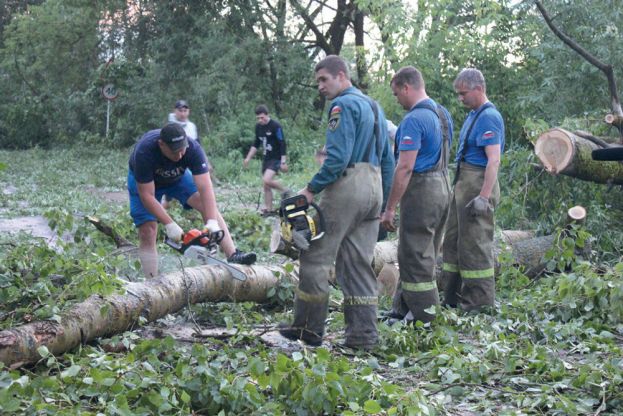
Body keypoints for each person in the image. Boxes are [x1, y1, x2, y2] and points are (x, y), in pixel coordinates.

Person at [278, 55, 395, 349]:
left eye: (323, 80)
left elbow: (338, 159)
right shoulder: (375, 107)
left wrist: (310, 189)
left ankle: (308, 329)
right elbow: (388, 159)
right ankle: (363, 337)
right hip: (375, 187)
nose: (320, 86)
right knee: (357, 264)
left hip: (348, 186)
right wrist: (385, 205)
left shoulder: (342, 106)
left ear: (341, 76)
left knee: (315, 257)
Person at [128, 123, 256, 278]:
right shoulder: (144, 152)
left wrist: (212, 222)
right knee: (148, 230)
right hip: (146, 183)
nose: (180, 155)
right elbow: (147, 195)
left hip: (177, 179)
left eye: (183, 149)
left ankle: (233, 254)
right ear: (162, 145)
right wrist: (169, 224)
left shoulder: (193, 149)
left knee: (205, 205)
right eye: (175, 151)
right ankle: (151, 282)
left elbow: (205, 187)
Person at [380, 66, 453, 324]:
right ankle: (401, 309)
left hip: (423, 190)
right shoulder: (442, 115)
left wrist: (390, 208)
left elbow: (405, 166)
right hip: (444, 185)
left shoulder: (413, 119)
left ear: (406, 87)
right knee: (425, 252)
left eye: (396, 93)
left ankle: (424, 318)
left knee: (414, 255)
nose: (397, 99)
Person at [441, 68, 505, 311]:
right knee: (455, 241)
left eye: (464, 93)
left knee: (475, 245)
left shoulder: (489, 117)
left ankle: (479, 303)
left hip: (478, 184)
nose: (460, 98)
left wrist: (484, 197)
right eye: (458, 94)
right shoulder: (473, 114)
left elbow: (494, 160)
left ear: (479, 89)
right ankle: (453, 297)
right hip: (464, 182)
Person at [243, 105, 288, 214]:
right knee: (266, 186)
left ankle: (285, 190)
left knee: (266, 180)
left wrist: (283, 161)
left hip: (276, 158)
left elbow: (282, 143)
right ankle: (269, 209)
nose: (260, 120)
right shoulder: (258, 127)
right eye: (258, 118)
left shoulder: (275, 126)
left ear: (267, 115)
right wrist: (248, 158)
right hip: (266, 158)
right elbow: (256, 143)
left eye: (262, 117)